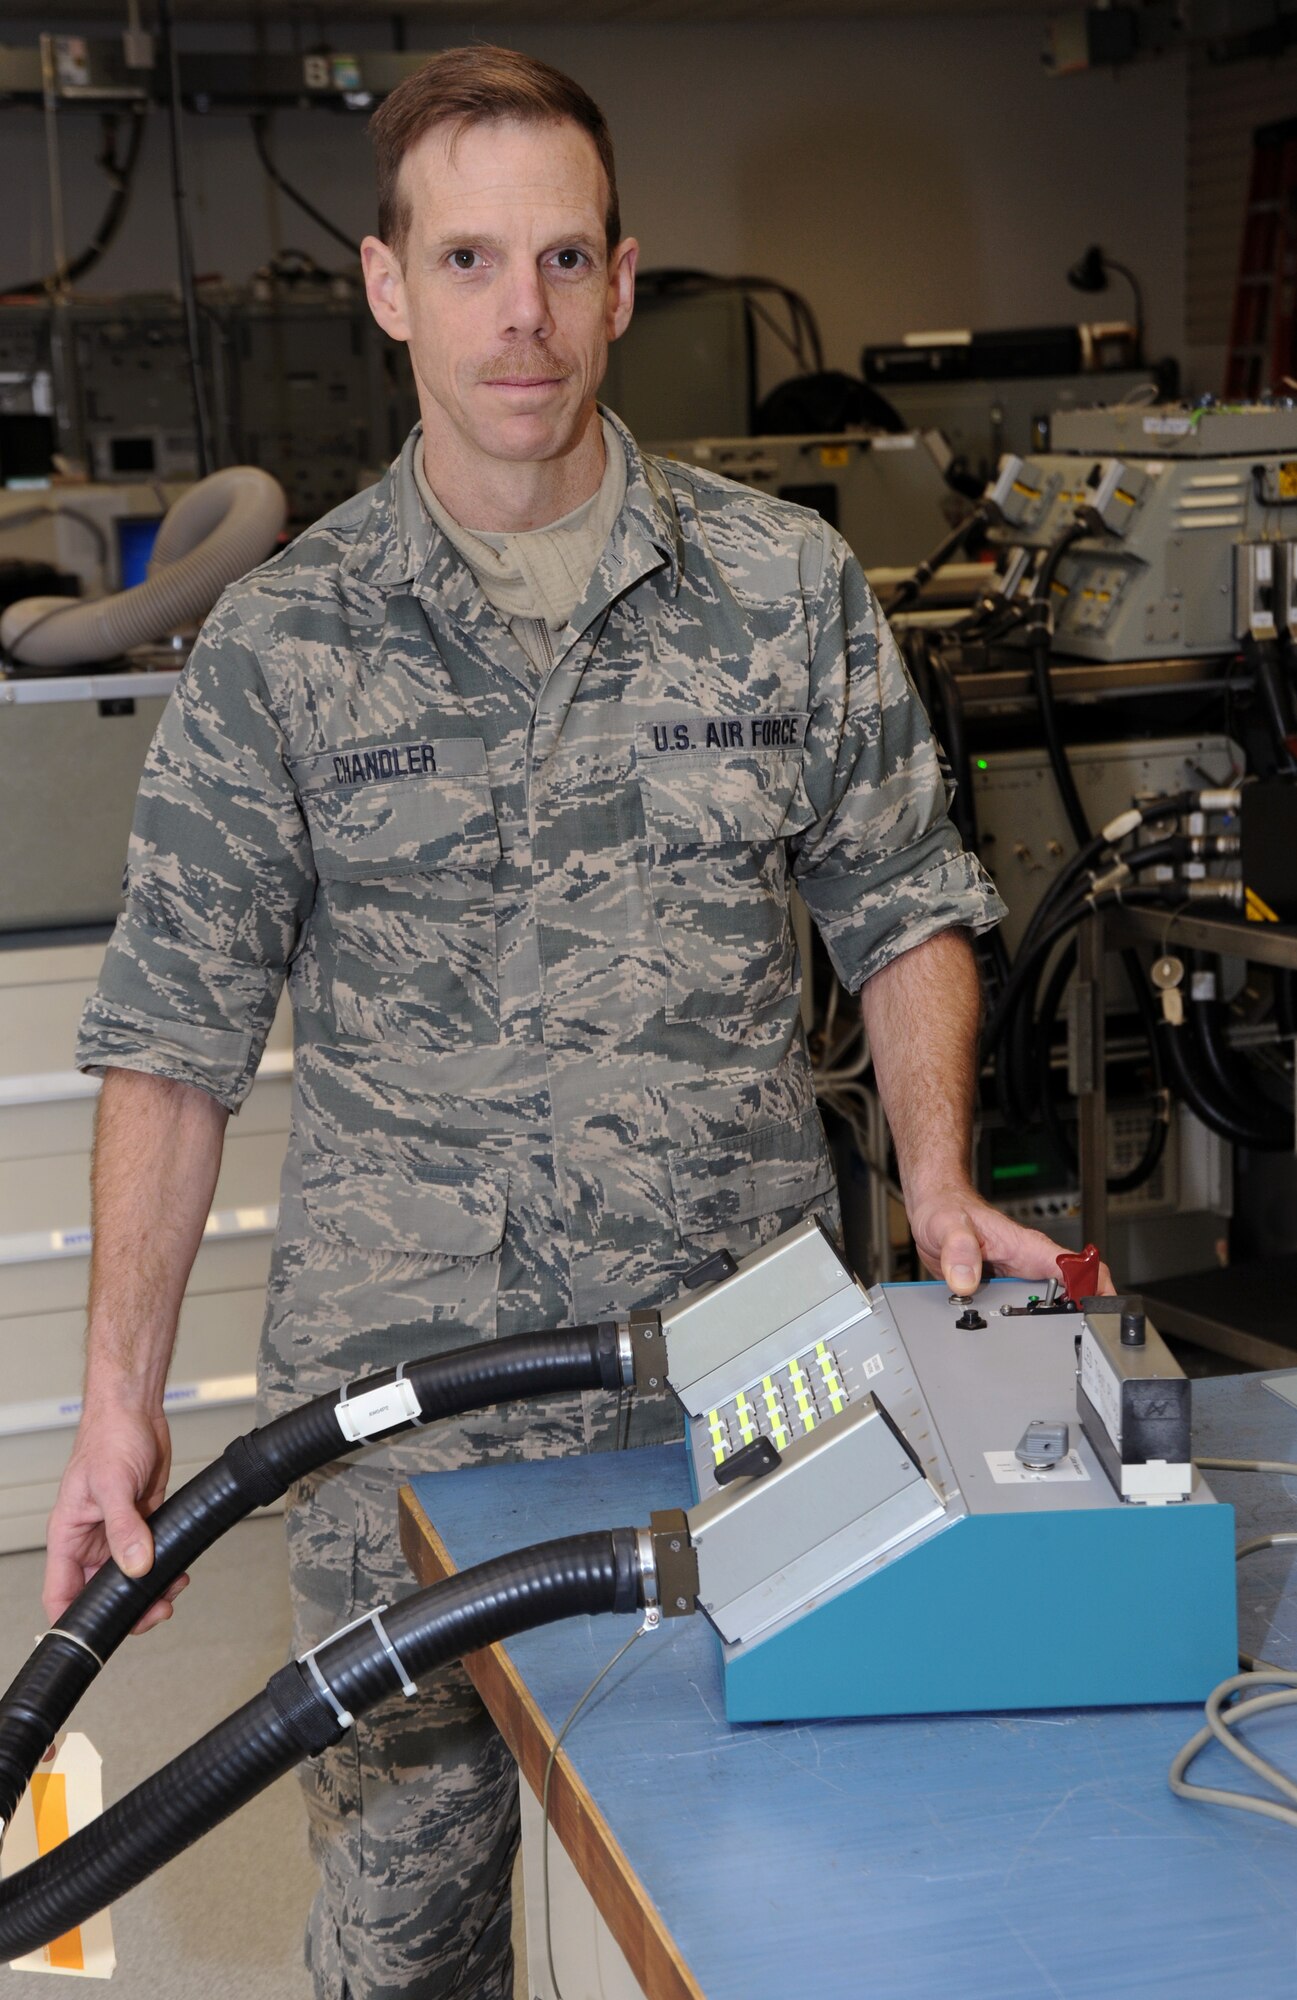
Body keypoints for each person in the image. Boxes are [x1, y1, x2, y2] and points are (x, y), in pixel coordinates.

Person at [43, 44, 1098, 2000]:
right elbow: (171, 1039)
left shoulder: (780, 589)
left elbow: (906, 907)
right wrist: (120, 1408)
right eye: (463, 260)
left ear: (624, 278)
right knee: (405, 1943)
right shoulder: (287, 639)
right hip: (400, 1438)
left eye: (557, 260)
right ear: (385, 287)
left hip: (738, 1389)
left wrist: (941, 1181)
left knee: (767, 1908)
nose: (515, 320)